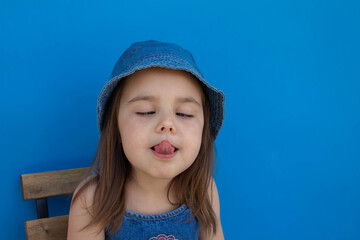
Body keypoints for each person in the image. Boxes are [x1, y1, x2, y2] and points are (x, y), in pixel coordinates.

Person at [67, 40, 225, 240]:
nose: (167, 124)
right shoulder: (92, 200)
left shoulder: (204, 191)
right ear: (116, 128)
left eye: (184, 114)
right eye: (146, 111)